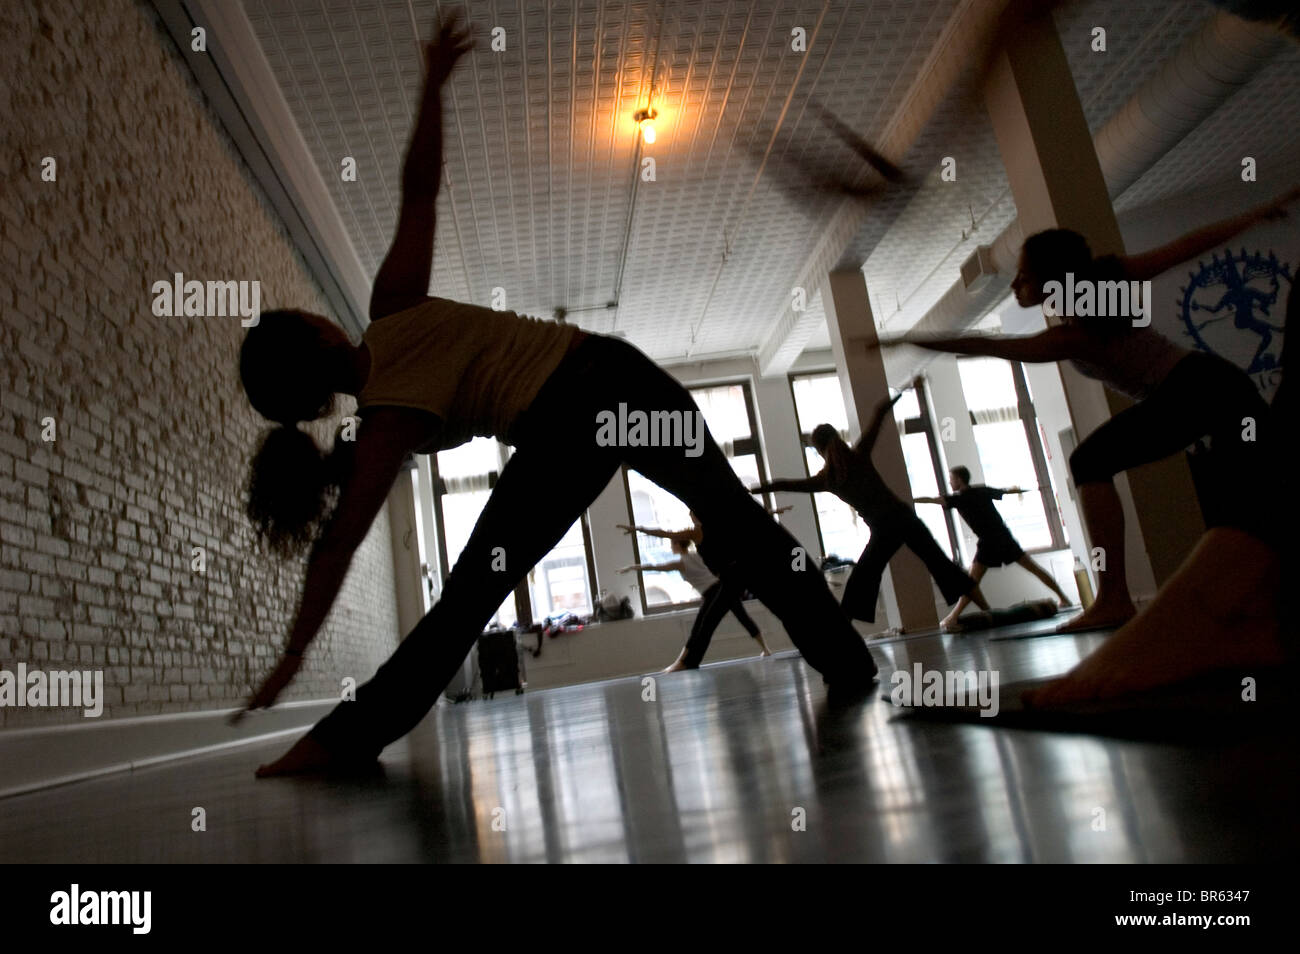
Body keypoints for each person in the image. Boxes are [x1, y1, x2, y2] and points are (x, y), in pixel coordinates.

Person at [235, 17, 877, 776]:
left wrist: (293, 654)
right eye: (302, 317)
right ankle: (849, 661)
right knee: (734, 522)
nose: (313, 311)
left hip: (577, 411)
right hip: (604, 383)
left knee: (472, 595)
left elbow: (339, 540)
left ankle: (341, 741)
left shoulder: (382, 416)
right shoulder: (390, 331)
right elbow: (419, 197)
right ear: (311, 339)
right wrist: (432, 84)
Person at [879, 190, 1297, 634]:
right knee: (1235, 498)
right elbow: (991, 344)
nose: (1015, 285)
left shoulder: (1086, 318)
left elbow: (1185, 248)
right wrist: (1252, 216)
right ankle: (1249, 601)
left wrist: (1251, 215)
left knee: (1092, 461)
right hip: (1208, 391)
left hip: (1200, 389)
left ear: (1052, 279)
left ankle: (1116, 598)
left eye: (1023, 276)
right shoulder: (1089, 308)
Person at [751, 383, 989, 627]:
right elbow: (878, 415)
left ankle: (844, 629)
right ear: (837, 438)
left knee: (864, 576)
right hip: (902, 517)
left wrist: (752, 489)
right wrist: (898, 393)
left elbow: (784, 484)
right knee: (940, 563)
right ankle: (988, 611)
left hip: (883, 527)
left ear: (819, 449)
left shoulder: (827, 479)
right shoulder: (858, 455)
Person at [914, 466, 1071, 628]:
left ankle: (958, 616)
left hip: (989, 542)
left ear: (959, 480)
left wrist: (910, 499)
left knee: (970, 583)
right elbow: (1006, 491)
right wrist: (1030, 489)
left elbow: (932, 500)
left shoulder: (959, 498)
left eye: (951, 478)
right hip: (1003, 536)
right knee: (1033, 568)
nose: (949, 481)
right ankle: (1064, 598)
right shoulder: (982, 490)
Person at [618, 526, 773, 671]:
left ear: (678, 544)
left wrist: (634, 567)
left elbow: (655, 567)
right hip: (720, 589)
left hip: (713, 593)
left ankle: (682, 662)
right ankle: (765, 649)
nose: (671, 547)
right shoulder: (697, 554)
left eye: (672, 544)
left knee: (703, 627)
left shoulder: (681, 562)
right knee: (739, 618)